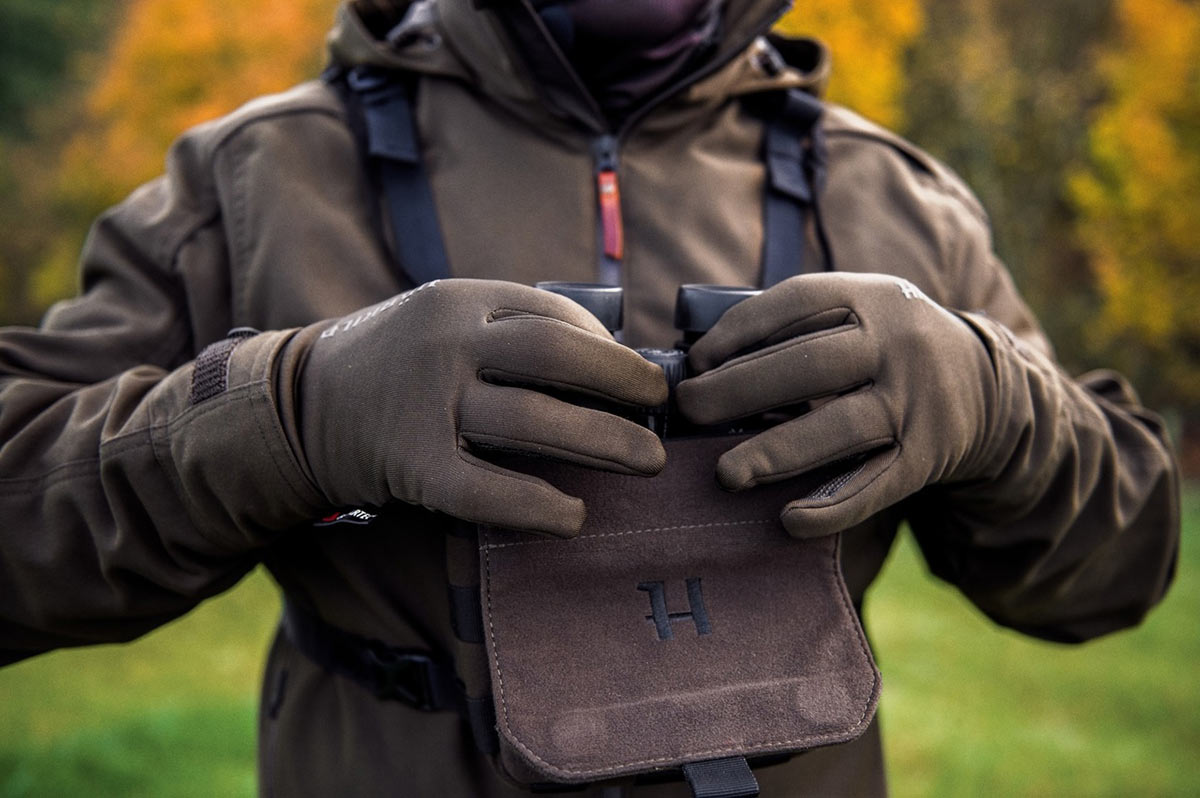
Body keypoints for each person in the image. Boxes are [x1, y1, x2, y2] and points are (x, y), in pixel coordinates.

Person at [0, 0, 1180, 795]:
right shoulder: (261, 179)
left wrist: (999, 407)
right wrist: (293, 410)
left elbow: (1117, 574)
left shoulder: (895, 199)